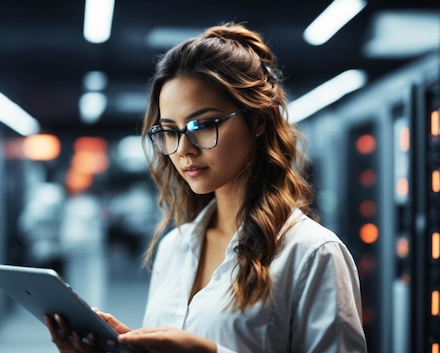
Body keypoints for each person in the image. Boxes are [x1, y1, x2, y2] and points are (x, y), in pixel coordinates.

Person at [44, 21, 367, 353]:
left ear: (257, 120)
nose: (184, 148)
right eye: (169, 130)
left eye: (203, 125)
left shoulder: (313, 253)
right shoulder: (175, 246)